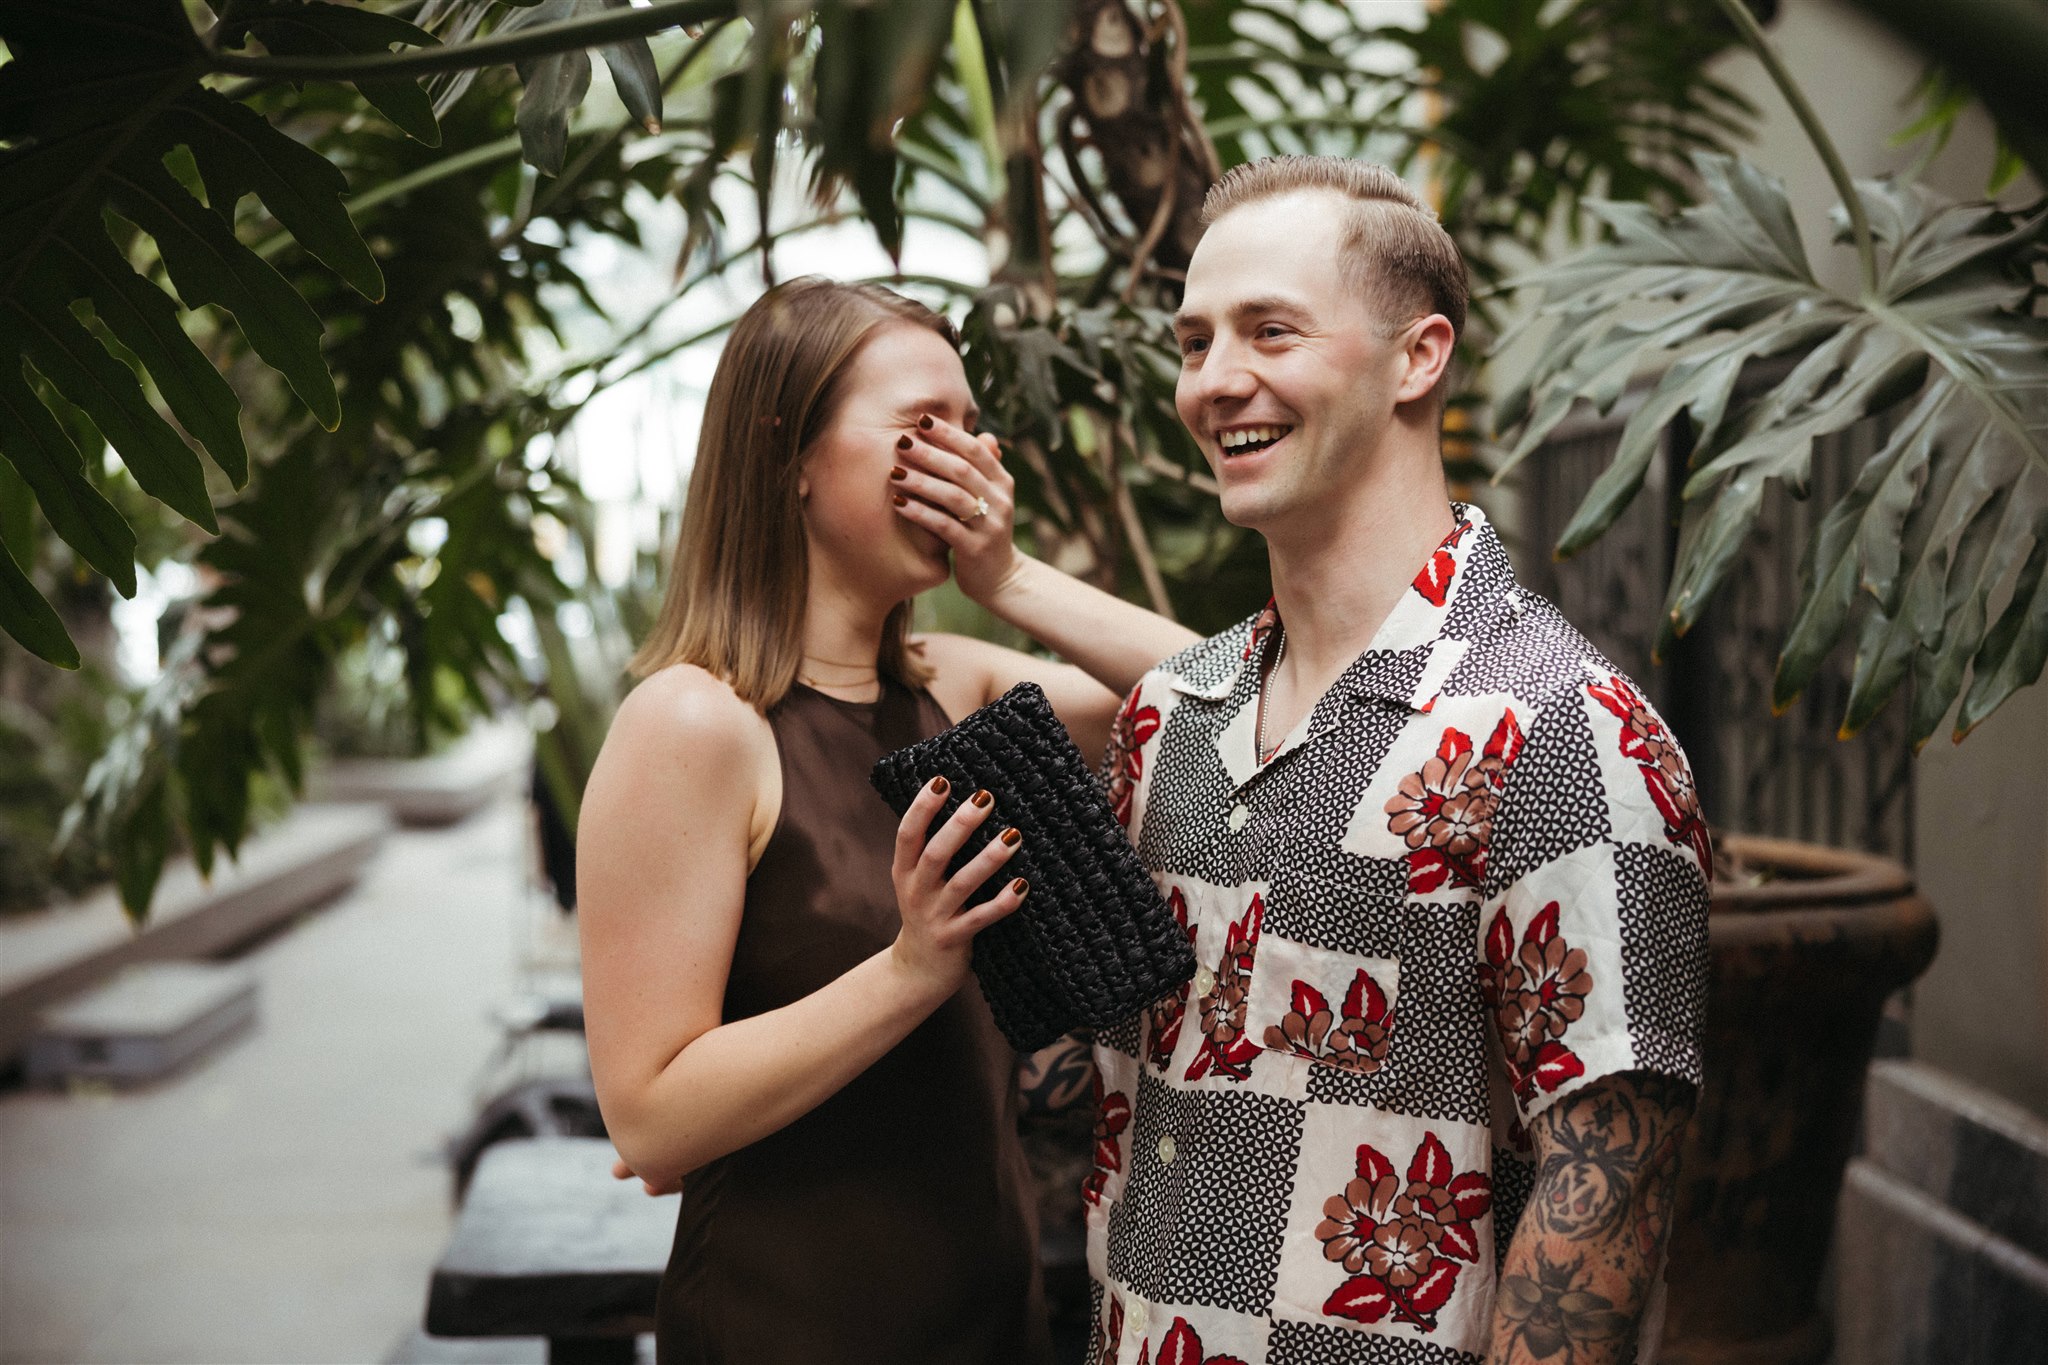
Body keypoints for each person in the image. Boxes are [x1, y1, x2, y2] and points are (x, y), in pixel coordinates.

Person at [925, 157, 1712, 1364]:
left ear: (1418, 356)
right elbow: (1109, 1095)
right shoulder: (1170, 717)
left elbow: (1601, 1203)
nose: (1214, 381)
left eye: (1270, 331)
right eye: (1192, 343)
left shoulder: (1563, 730)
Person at [575, 278, 1191, 1365]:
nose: (963, 462)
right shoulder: (692, 725)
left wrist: (1006, 574)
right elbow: (649, 1116)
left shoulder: (948, 686)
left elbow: (1227, 695)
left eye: (970, 430)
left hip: (989, 1311)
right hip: (788, 1326)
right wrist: (911, 969)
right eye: (921, 431)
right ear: (788, 455)